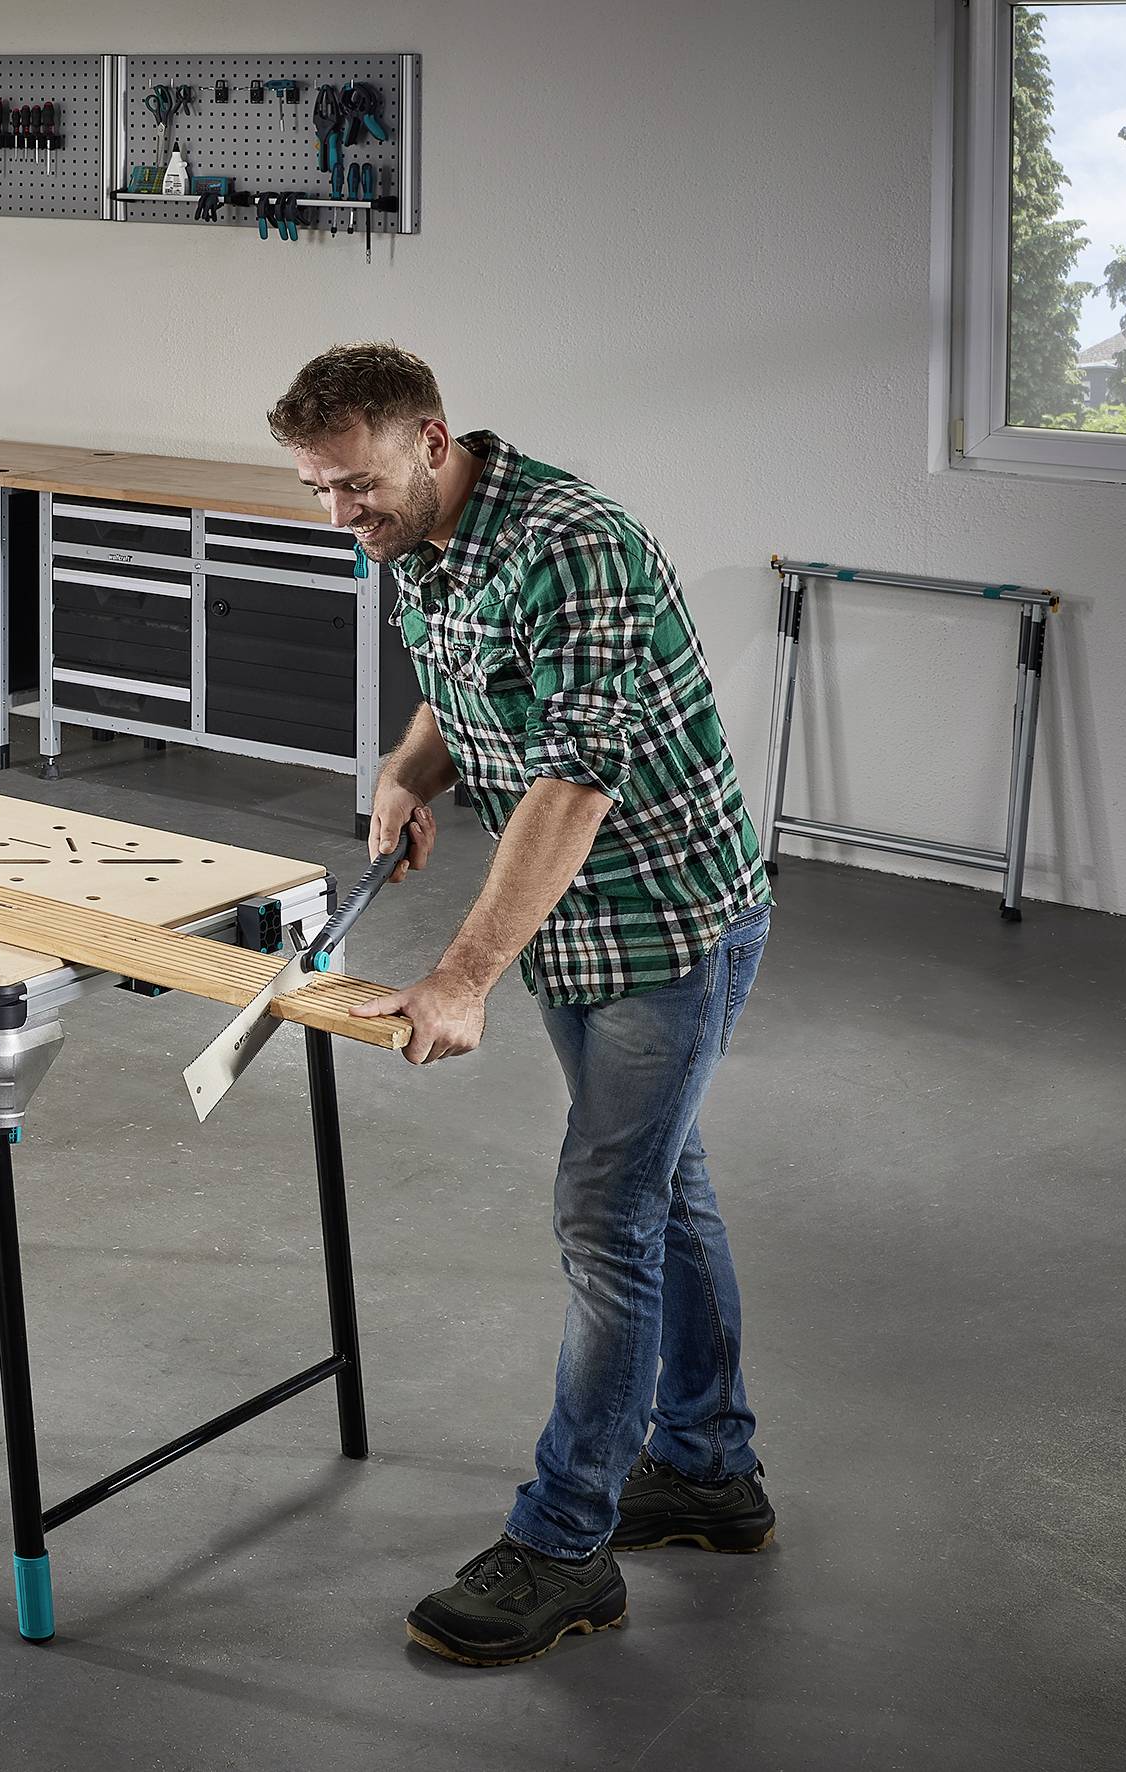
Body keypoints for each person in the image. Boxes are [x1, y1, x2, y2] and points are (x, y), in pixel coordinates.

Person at [268, 343, 778, 1668]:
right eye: (318, 491)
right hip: (571, 925)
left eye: (356, 486)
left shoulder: (578, 547)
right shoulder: (423, 540)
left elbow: (570, 782)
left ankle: (563, 1549)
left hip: (664, 925)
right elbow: (466, 685)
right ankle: (710, 1474)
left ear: (430, 440)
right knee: (665, 1189)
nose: (339, 516)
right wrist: (405, 771)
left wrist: (458, 975)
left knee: (605, 1215)